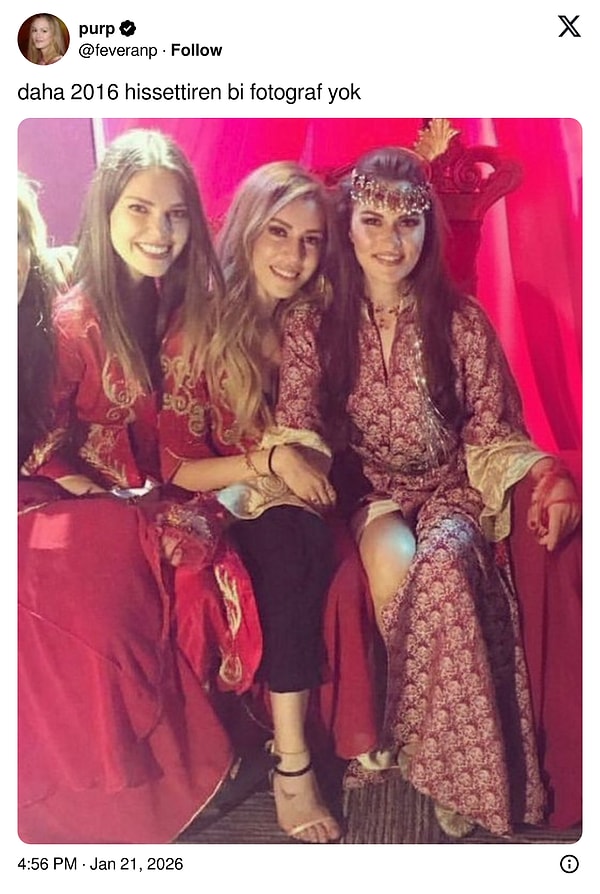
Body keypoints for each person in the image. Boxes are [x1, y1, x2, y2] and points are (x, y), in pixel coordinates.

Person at [276, 146, 581, 838]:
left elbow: (495, 432)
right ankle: (430, 749)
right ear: (347, 225)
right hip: (373, 495)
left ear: (428, 229)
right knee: (395, 564)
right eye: (373, 221)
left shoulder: (461, 321)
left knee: (444, 565)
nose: (390, 242)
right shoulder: (312, 324)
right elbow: (298, 425)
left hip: (453, 489)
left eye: (407, 223)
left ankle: (454, 773)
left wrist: (547, 474)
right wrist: (294, 458)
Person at [18, 143, 271, 843]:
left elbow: (219, 429)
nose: (159, 232)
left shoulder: (204, 312)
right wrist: (93, 493)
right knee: (142, 577)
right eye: (139, 210)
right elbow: (44, 435)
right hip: (95, 501)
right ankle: (154, 774)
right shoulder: (72, 322)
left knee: (197, 568)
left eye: (176, 214)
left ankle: (213, 760)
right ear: (106, 211)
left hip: (189, 492)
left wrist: (258, 461)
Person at [159, 161, 370, 843]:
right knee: (289, 542)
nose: (293, 255)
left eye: (310, 240)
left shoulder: (324, 317)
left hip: (319, 484)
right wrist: (271, 461)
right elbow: (176, 465)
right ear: (247, 230)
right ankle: (293, 764)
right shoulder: (197, 328)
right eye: (278, 232)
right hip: (222, 492)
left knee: (307, 530)